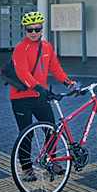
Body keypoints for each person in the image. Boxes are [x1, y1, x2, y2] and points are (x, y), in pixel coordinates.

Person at [10, 12, 76, 180]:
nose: (33, 32)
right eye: (29, 30)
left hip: (40, 96)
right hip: (21, 98)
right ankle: (26, 169)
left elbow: (55, 67)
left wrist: (67, 82)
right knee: (27, 134)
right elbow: (22, 73)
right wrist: (38, 87)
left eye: (37, 29)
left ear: (42, 29)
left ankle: (52, 161)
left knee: (51, 129)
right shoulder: (20, 48)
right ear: (24, 30)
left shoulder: (46, 47)